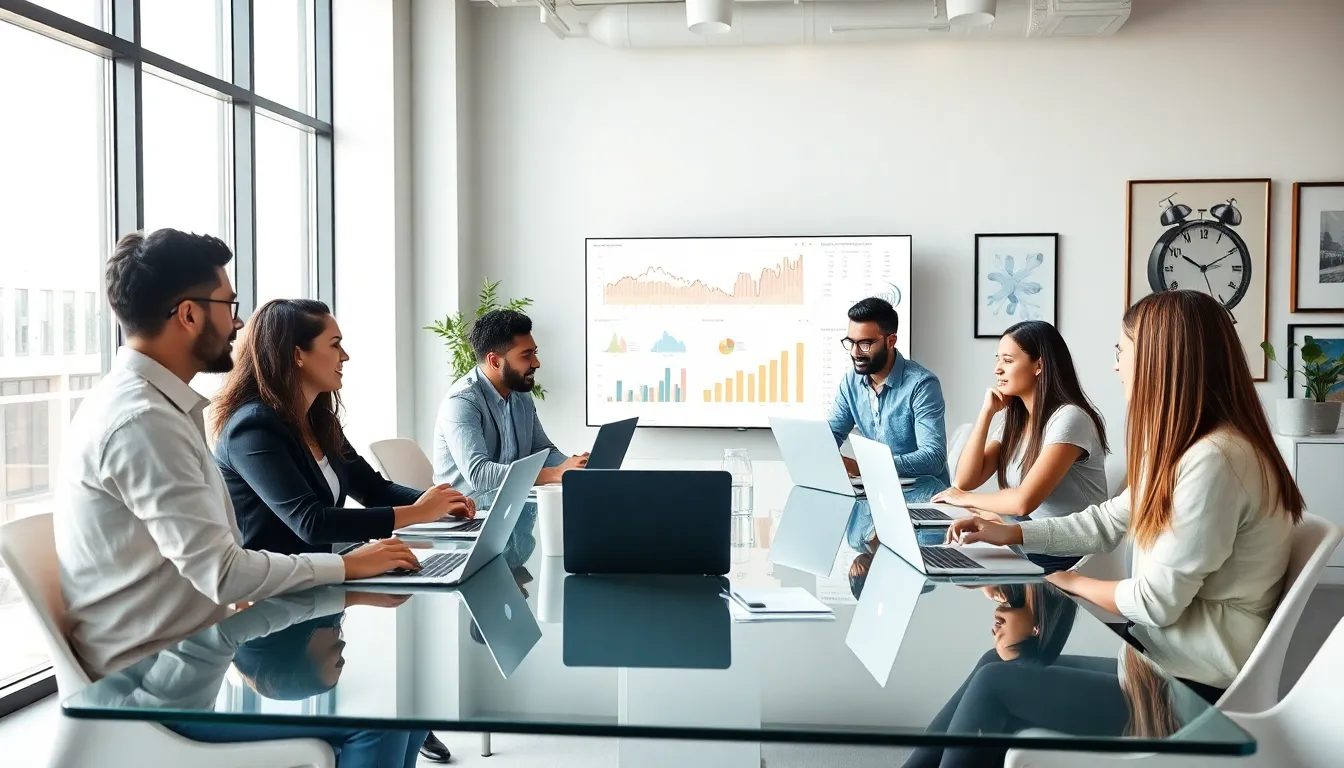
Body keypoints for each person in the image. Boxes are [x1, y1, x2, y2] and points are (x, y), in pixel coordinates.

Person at [55, 229, 421, 765]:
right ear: (188, 315)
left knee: (407, 711)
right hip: (155, 687)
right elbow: (223, 573)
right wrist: (346, 569)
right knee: (380, 724)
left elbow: (213, 566)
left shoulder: (157, 408)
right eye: (228, 305)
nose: (237, 323)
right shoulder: (143, 422)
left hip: (195, 647)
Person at [936, 290, 1306, 767]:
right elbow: (1108, 520)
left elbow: (1156, 599)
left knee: (995, 684)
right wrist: (1012, 534)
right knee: (995, 664)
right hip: (1159, 661)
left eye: (1120, 353)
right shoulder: (1187, 449)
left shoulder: (1216, 461)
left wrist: (1066, 580)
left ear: (1159, 360)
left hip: (1190, 689)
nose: (1115, 367)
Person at [210, 298, 470, 762]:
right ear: (297, 354)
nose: (345, 356)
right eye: (335, 344)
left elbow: (373, 488)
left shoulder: (316, 418)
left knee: (414, 712)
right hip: (274, 607)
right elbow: (309, 522)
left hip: (322, 586)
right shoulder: (252, 429)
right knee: (392, 715)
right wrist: (416, 515)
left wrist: (439, 504)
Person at [931, 321, 1108, 570]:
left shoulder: (1070, 418)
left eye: (1008, 360)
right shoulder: (1017, 420)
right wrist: (986, 413)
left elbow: (1023, 502)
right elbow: (965, 480)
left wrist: (965, 499)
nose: (997, 370)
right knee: (950, 558)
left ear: (1039, 365)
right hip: (1033, 539)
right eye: (998, 360)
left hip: (1064, 553)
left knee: (959, 565)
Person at [432, 308, 586, 504]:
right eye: (526, 355)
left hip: (509, 505)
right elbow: (479, 475)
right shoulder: (462, 402)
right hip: (467, 516)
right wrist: (554, 474)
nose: (536, 363)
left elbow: (542, 450)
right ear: (494, 361)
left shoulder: (519, 394)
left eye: (535, 353)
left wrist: (573, 468)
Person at [827, 298, 949, 484]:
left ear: (891, 340)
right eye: (851, 342)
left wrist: (864, 467)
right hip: (876, 489)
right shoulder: (851, 381)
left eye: (865, 344)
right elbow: (832, 435)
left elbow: (934, 458)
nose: (854, 352)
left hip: (922, 497)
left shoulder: (922, 385)